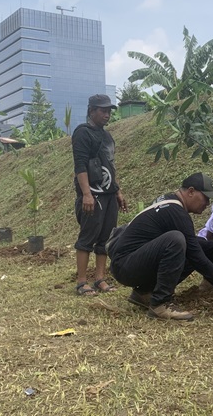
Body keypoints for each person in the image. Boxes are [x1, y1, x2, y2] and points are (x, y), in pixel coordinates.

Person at [110, 173, 213, 320]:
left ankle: (145, 293)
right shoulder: (176, 212)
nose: (207, 204)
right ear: (191, 191)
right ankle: (160, 304)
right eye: (205, 198)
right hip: (126, 265)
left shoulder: (170, 202)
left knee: (186, 244)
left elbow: (193, 243)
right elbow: (196, 256)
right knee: (176, 241)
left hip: (128, 262)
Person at [71, 94, 127, 296]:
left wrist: (117, 190)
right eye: (103, 111)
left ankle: (100, 279)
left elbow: (110, 166)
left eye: (109, 111)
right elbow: (80, 165)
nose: (107, 115)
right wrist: (86, 194)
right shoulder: (82, 133)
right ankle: (81, 282)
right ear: (91, 111)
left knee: (106, 236)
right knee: (88, 236)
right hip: (93, 195)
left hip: (109, 194)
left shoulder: (107, 136)